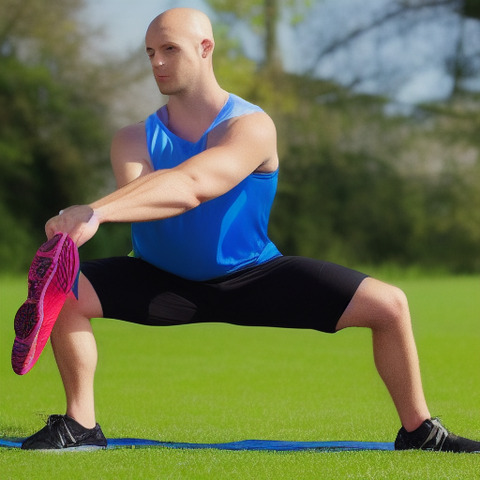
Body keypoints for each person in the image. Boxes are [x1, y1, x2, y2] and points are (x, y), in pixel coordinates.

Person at [19, 8, 479, 452]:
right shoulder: (133, 138)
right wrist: (85, 219)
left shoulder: (252, 126)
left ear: (205, 48)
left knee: (390, 305)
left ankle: (419, 430)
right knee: (65, 290)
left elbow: (193, 185)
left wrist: (92, 212)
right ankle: (80, 425)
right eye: (149, 52)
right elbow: (147, 199)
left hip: (252, 275)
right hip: (160, 279)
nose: (156, 62)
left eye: (169, 49)